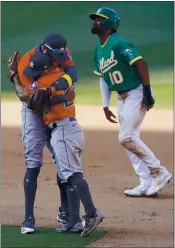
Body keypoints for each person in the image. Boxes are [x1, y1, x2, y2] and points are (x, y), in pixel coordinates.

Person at [89, 7, 172, 197]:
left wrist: (147, 92)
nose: (95, 22)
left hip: (135, 93)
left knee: (127, 137)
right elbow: (103, 77)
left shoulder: (118, 42)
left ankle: (159, 171)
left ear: (109, 24)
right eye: (95, 19)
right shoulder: (98, 50)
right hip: (120, 97)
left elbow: (140, 63)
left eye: (99, 19)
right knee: (129, 139)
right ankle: (145, 182)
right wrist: (104, 104)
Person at [25, 52, 104, 237]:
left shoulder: (45, 83)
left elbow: (31, 100)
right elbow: (68, 91)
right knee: (66, 175)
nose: (32, 73)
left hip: (63, 131)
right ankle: (73, 221)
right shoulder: (62, 78)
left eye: (35, 70)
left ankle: (92, 213)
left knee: (72, 174)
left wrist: (15, 78)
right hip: (67, 128)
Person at [7, 33, 78, 234]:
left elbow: (73, 75)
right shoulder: (26, 65)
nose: (59, 60)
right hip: (32, 113)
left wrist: (56, 90)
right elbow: (28, 99)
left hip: (54, 112)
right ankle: (29, 217)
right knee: (33, 162)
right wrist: (14, 77)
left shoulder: (61, 51)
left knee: (62, 160)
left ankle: (65, 212)